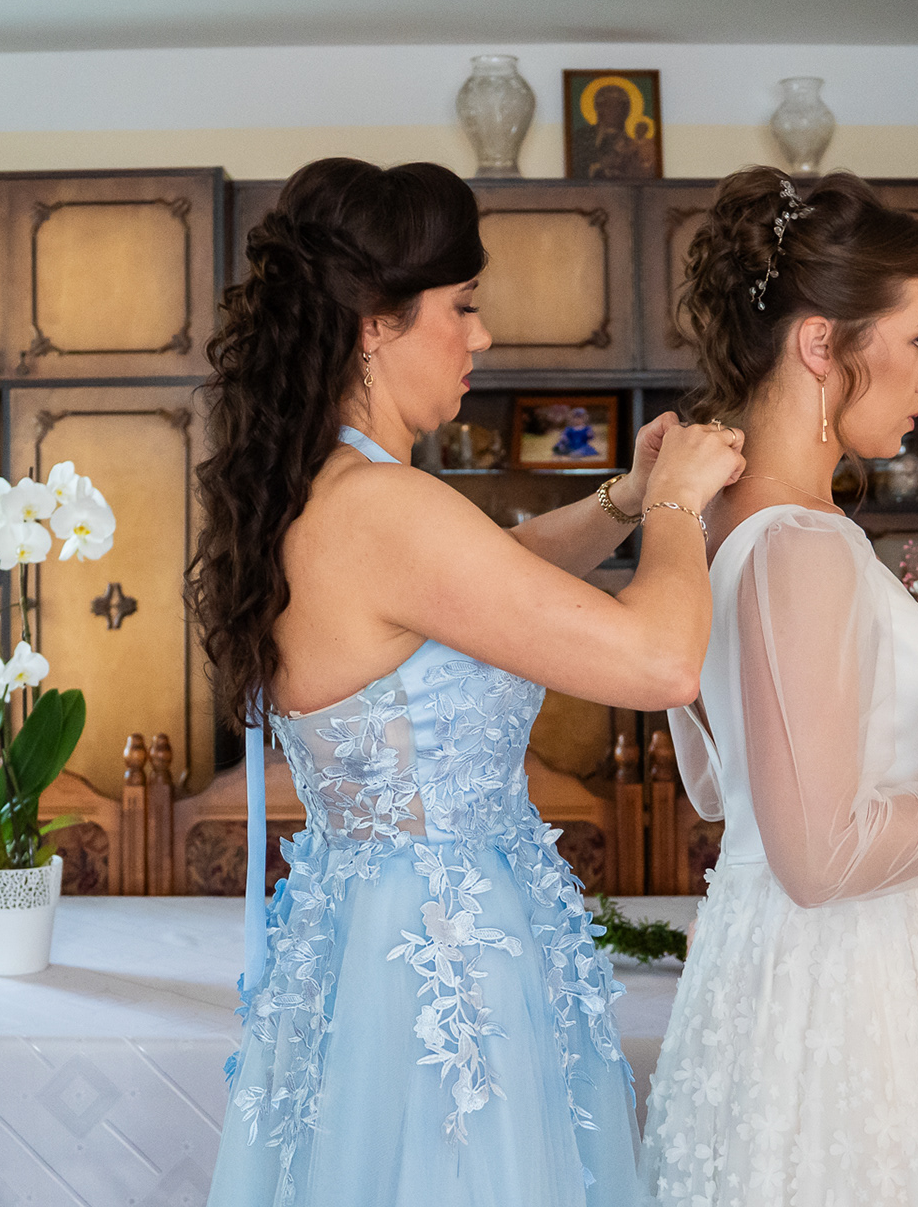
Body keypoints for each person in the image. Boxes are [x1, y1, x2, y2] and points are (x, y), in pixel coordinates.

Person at [188, 157, 744, 1207]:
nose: (481, 336)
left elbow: (496, 580)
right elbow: (660, 661)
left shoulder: (333, 489)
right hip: (442, 959)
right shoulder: (389, 507)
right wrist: (679, 506)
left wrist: (626, 498)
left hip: (372, 937)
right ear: (374, 323)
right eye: (464, 305)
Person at [641, 168, 918, 1206]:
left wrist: (914, 682)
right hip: (840, 986)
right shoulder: (802, 542)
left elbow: (722, 788)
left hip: (783, 971)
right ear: (822, 343)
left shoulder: (718, 519)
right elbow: (817, 856)